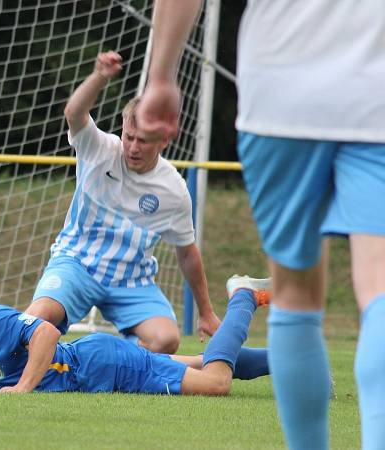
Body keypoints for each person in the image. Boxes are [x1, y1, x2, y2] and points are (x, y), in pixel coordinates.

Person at [135, 1, 385, 448]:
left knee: (294, 296)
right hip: (376, 93)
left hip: (280, 92)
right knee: (380, 287)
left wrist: (161, 76)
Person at [25, 50, 220, 354]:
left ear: (164, 139)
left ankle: (100, 357)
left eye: (143, 140)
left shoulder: (174, 189)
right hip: (77, 262)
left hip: (130, 278)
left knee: (166, 341)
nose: (132, 147)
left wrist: (206, 312)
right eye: (129, 136)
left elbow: (187, 253)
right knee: (35, 321)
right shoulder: (99, 147)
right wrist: (100, 75)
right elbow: (74, 113)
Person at [0, 270, 270, 395]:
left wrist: (22, 388)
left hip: (104, 365)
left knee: (216, 383)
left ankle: (243, 296)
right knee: (199, 362)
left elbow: (47, 334)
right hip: (96, 363)